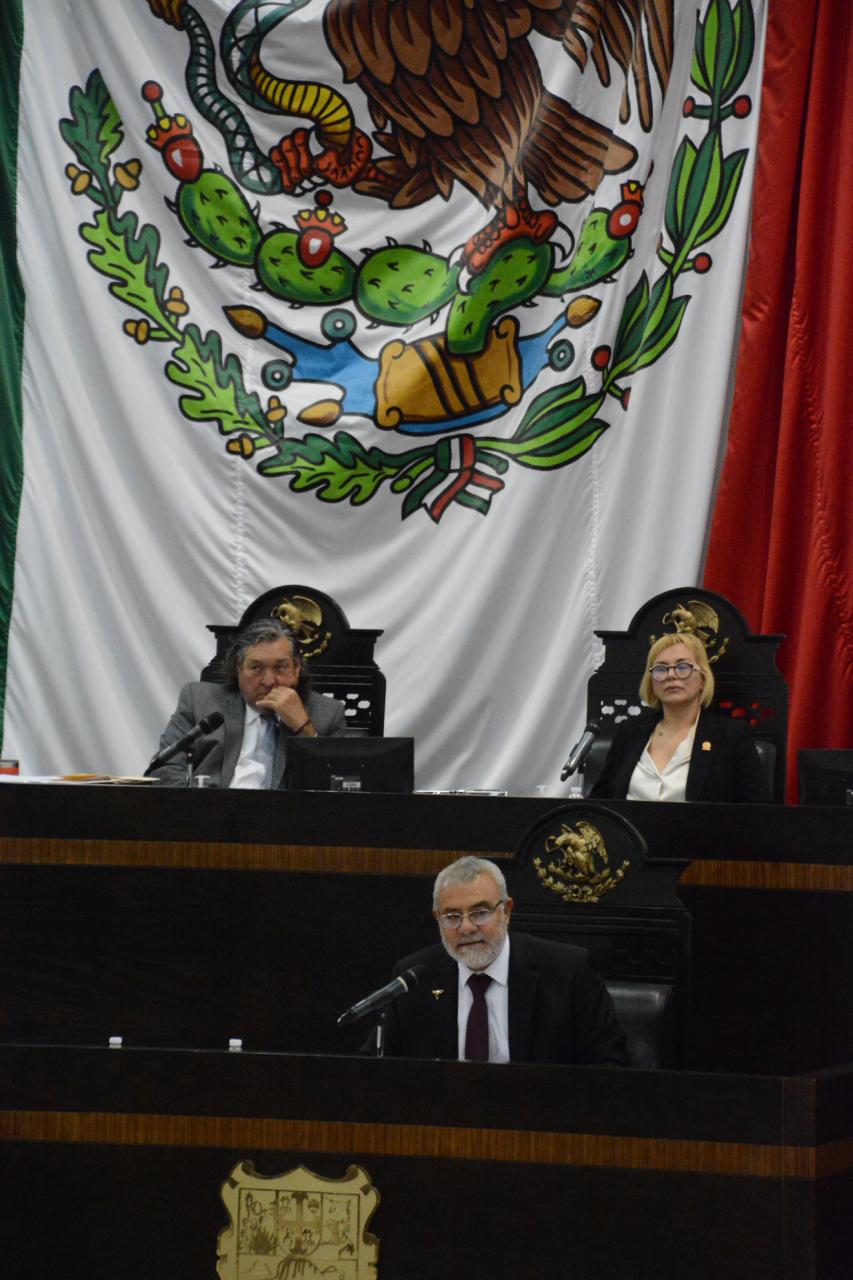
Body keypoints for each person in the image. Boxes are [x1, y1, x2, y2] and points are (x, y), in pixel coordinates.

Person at [382, 856, 628, 1065]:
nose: (466, 928)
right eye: (452, 916)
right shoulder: (413, 981)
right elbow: (384, 1074)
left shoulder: (569, 973)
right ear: (437, 917)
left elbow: (608, 1067)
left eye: (480, 913)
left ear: (507, 911)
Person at [149, 618, 347, 787]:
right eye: (256, 668)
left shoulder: (328, 713)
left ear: (297, 669)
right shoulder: (199, 700)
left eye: (280, 668)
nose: (268, 681)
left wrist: (303, 727)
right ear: (239, 667)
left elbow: (340, 787)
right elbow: (165, 770)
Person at [590, 632, 771, 803]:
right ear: (651, 681)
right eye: (661, 669)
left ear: (702, 679)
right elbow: (600, 801)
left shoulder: (731, 736)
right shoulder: (630, 732)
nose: (671, 675)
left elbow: (758, 812)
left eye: (682, 667)